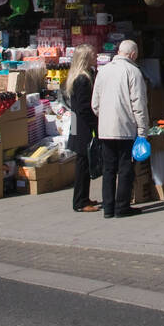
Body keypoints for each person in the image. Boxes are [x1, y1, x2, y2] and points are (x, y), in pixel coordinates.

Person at [90, 39, 150, 219]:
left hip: (106, 129)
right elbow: (139, 104)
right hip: (125, 128)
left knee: (108, 169)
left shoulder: (104, 70)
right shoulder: (133, 72)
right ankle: (122, 206)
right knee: (125, 168)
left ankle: (108, 208)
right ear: (132, 55)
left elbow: (95, 103)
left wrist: (104, 117)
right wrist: (142, 131)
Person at [64, 45, 99, 213]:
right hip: (83, 126)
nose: (96, 56)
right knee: (83, 163)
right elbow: (85, 107)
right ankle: (80, 201)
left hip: (77, 123)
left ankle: (83, 196)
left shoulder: (76, 76)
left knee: (83, 162)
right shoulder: (83, 79)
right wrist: (95, 125)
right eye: (93, 54)